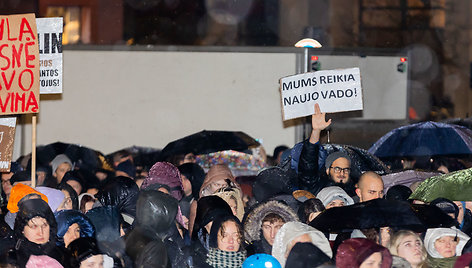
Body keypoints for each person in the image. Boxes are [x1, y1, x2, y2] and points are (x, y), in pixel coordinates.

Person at [298, 103, 356, 196]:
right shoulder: (317, 189)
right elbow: (308, 164)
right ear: (328, 170)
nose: (342, 173)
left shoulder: (354, 193)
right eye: (337, 169)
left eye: (346, 169)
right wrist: (316, 131)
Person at [14, 198, 65, 268]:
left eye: (44, 225)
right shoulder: (14, 260)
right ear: (22, 229)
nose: (40, 232)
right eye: (34, 226)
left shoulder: (63, 256)